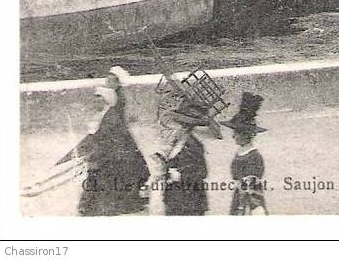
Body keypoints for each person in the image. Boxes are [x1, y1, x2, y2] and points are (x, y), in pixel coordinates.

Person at [22, 66, 150, 215]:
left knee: (110, 176)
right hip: (112, 142)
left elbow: (114, 126)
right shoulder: (110, 105)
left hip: (114, 144)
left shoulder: (116, 103)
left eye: (111, 78)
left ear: (116, 81)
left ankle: (99, 208)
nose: (108, 80)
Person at [154, 99, 221, 216]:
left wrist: (180, 176)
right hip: (175, 197)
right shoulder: (176, 143)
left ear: (186, 127)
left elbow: (202, 172)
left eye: (178, 125)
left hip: (190, 200)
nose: (175, 129)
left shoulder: (193, 146)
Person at [222, 92, 268, 215]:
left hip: (250, 203)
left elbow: (253, 189)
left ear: (245, 134)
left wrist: (251, 208)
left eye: (236, 133)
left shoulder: (254, 157)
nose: (233, 136)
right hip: (238, 196)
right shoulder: (241, 152)